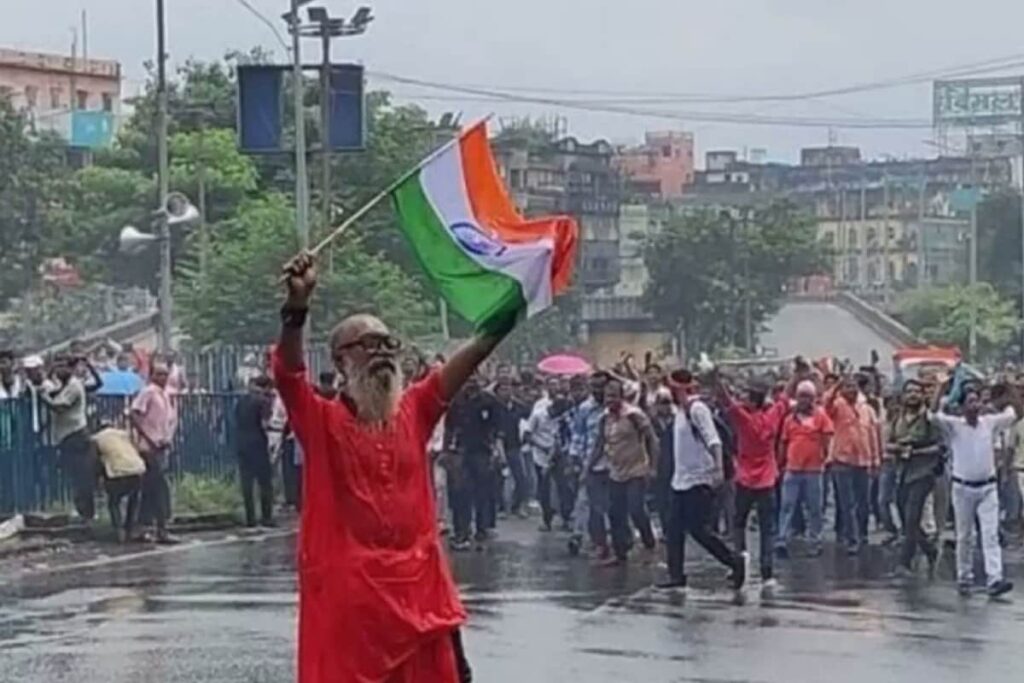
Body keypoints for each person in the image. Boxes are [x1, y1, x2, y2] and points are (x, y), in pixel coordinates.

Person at [275, 252, 509, 683]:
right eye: (368, 345)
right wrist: (297, 309)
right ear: (341, 361)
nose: (382, 353)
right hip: (353, 608)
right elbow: (288, 373)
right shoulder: (321, 421)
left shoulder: (414, 411)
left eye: (388, 344)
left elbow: (470, 356)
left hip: (422, 597)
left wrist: (507, 311)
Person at [657, 369, 747, 594]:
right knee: (674, 529)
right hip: (680, 480)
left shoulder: (697, 409)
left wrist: (717, 470)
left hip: (699, 479)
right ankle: (676, 575)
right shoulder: (679, 412)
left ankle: (734, 561)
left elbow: (713, 440)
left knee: (699, 530)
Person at [929, 384, 1017, 597]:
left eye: (977, 400)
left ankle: (994, 579)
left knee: (990, 535)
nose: (975, 405)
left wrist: (1010, 390)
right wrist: (940, 389)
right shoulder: (954, 426)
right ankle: (964, 576)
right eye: (970, 401)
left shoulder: (989, 423)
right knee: (965, 535)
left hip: (987, 487)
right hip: (962, 488)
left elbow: (1014, 413)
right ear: (961, 408)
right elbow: (932, 415)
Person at [713, 373, 787, 594]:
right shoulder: (772, 417)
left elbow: (725, 398)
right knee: (767, 528)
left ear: (753, 400)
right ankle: (767, 571)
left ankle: (740, 558)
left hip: (745, 478)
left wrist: (717, 380)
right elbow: (784, 399)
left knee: (738, 523)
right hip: (766, 479)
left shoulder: (744, 419)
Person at [593, 377, 658, 566]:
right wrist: (589, 466)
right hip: (616, 471)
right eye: (606, 396)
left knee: (636, 509)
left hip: (637, 470)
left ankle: (649, 543)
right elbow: (599, 444)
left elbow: (652, 440)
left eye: (613, 396)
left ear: (622, 397)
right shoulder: (604, 418)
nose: (609, 400)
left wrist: (653, 467)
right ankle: (620, 553)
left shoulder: (634, 415)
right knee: (615, 513)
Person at [888, 380, 942, 578]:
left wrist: (916, 450)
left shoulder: (929, 418)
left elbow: (940, 446)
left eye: (917, 392)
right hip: (902, 473)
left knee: (912, 518)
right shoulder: (898, 418)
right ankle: (929, 548)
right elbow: (888, 443)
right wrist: (899, 448)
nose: (913, 395)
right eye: (909, 392)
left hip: (923, 472)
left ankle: (905, 563)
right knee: (905, 518)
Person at [777, 380, 833, 558]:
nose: (804, 400)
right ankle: (782, 540)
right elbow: (783, 443)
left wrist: (826, 459)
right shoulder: (789, 420)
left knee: (814, 508)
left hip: (814, 470)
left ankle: (815, 541)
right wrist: (780, 464)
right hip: (792, 469)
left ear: (814, 398)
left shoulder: (821, 417)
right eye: (801, 396)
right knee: (787, 506)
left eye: (808, 396)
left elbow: (827, 440)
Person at [445, 376, 502, 547]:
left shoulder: (489, 401)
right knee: (460, 492)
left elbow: (497, 427)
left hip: (482, 451)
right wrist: (447, 450)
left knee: (482, 493)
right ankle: (461, 531)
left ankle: (481, 529)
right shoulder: (457, 401)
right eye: (468, 379)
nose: (471, 383)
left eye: (474, 380)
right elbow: (450, 427)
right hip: (461, 451)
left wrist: (496, 449)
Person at [40, 354, 96, 526]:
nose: (60, 370)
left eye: (64, 366)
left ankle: (86, 514)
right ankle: (81, 512)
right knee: (72, 476)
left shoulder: (74, 386)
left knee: (81, 476)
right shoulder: (62, 386)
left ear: (71, 369)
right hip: (65, 437)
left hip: (76, 435)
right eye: (57, 366)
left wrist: (43, 397)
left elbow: (60, 406)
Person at [825, 376, 875, 554]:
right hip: (842, 460)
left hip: (863, 459)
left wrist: (875, 459)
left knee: (863, 502)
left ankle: (862, 534)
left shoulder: (866, 408)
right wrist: (836, 386)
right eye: (847, 387)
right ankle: (851, 539)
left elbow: (872, 434)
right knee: (846, 503)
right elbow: (825, 404)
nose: (851, 390)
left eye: (853, 386)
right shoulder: (837, 405)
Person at [131, 363, 177, 544]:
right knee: (159, 489)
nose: (162, 378)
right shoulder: (148, 392)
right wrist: (149, 438)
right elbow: (134, 414)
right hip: (148, 447)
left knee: (151, 489)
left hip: (161, 446)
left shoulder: (165, 395)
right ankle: (161, 529)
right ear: (151, 376)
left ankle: (144, 527)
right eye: (158, 374)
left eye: (165, 374)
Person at [568, 371, 611, 559]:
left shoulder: (618, 407)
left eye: (601, 386)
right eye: (593, 386)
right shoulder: (585, 409)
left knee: (613, 504)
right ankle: (581, 536)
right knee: (587, 501)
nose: (597, 390)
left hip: (617, 464)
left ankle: (615, 539)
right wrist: (574, 460)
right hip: (590, 463)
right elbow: (578, 435)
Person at [526, 376, 574, 532]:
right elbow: (526, 436)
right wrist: (542, 447)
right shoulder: (538, 414)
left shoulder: (563, 418)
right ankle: (547, 519)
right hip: (540, 456)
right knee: (544, 489)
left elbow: (567, 436)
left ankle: (566, 518)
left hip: (559, 456)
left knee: (564, 487)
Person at [92, 425, 146, 543]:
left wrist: (99, 478)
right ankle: (130, 528)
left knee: (113, 502)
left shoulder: (97, 439)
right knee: (134, 499)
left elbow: (95, 461)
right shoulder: (123, 434)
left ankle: (119, 530)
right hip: (137, 468)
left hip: (118, 472)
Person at [236, 375, 276, 528]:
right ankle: (267, 517)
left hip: (242, 443)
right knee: (265, 482)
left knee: (247, 483)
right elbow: (265, 424)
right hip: (258, 444)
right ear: (267, 387)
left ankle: (250, 518)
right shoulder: (264, 401)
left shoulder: (241, 401)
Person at [494, 376, 531, 518]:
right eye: (503, 389)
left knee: (522, 477)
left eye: (508, 388)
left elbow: (527, 422)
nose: (507, 391)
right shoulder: (494, 407)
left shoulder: (519, 406)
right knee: (500, 479)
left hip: (515, 445)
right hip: (498, 445)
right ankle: (502, 508)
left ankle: (518, 505)